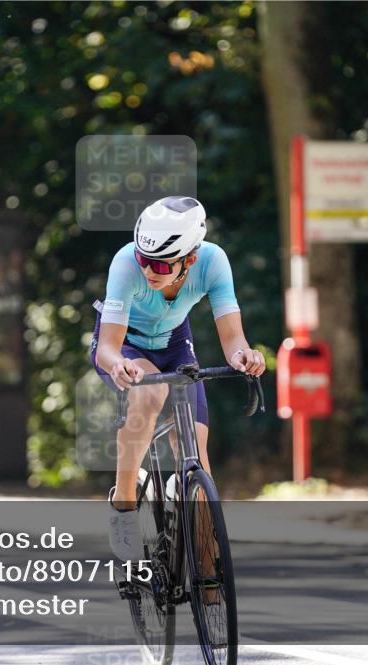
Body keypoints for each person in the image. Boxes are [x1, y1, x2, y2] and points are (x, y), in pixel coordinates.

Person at [89, 195, 266, 561]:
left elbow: (233, 338)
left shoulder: (214, 261)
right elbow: (107, 346)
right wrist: (119, 364)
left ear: (190, 260)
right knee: (150, 396)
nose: (149, 270)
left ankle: (207, 574)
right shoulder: (126, 263)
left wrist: (243, 357)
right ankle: (123, 506)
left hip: (174, 346)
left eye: (161, 265)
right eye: (144, 259)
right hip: (127, 346)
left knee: (197, 459)